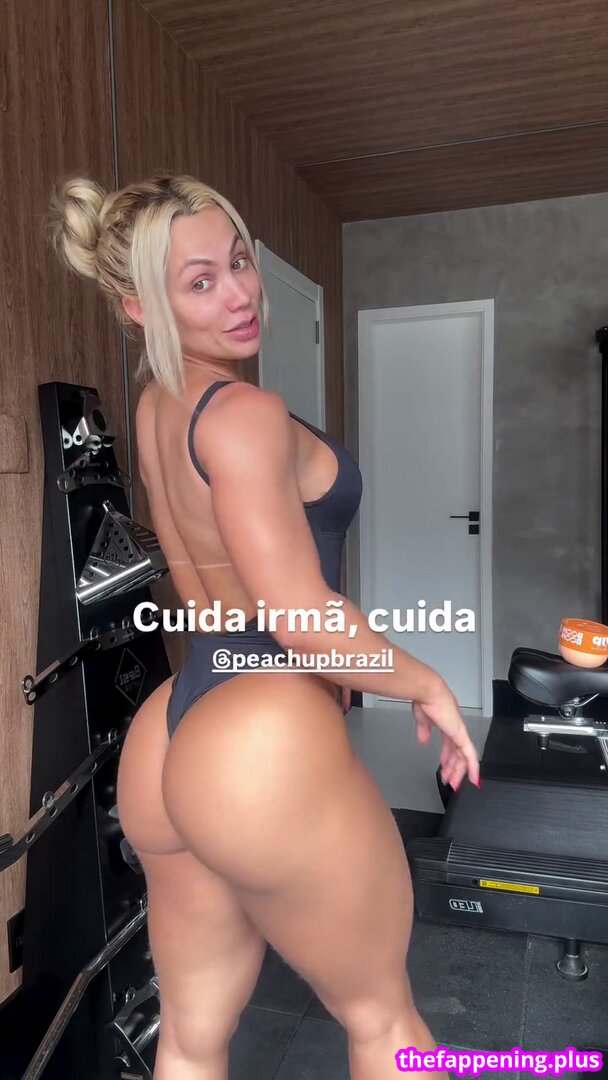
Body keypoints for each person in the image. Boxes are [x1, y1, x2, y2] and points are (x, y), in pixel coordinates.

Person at [47, 171, 480, 1080]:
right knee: (384, 1019)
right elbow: (299, 616)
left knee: (191, 1038)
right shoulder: (243, 414)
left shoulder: (159, 406)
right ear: (139, 308)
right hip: (258, 732)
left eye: (238, 262)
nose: (240, 294)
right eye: (200, 281)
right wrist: (427, 682)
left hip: (176, 731)